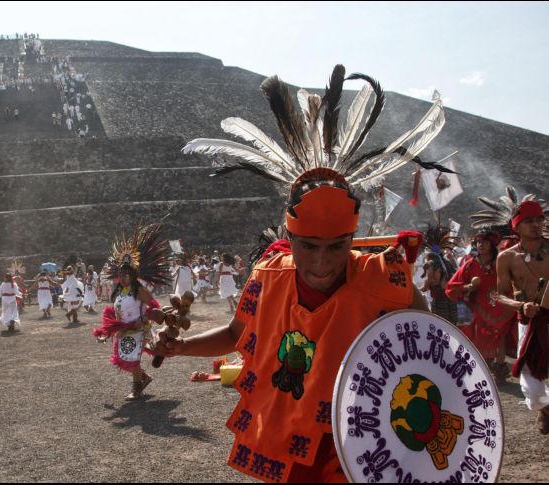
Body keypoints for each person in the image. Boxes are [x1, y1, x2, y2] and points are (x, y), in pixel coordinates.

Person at [159, 65, 440, 482]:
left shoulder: (384, 278)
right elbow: (238, 333)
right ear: (288, 238)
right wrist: (181, 347)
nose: (323, 263)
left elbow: (435, 344)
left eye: (337, 246)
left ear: (353, 237)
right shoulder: (267, 276)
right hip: (291, 442)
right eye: (309, 246)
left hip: (367, 450)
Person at [92, 223, 168, 401]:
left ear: (133, 275)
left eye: (127, 274)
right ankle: (145, 378)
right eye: (122, 273)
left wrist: (143, 319)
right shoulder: (119, 292)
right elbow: (115, 314)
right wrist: (107, 332)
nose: (124, 277)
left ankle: (136, 388)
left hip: (138, 329)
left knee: (133, 359)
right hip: (124, 330)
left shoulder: (138, 290)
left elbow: (154, 305)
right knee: (126, 358)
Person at [495, 199, 549, 434]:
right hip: (528, 321)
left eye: (539, 220)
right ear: (516, 226)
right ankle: (544, 409)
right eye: (529, 221)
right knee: (533, 390)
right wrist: (520, 305)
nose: (536, 225)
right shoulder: (506, 258)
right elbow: (498, 295)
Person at [446, 228, 516, 382]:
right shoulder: (470, 265)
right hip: (480, 307)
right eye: (478, 242)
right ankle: (483, 368)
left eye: (484, 242)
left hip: (502, 304)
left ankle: (499, 368)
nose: (481, 245)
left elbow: (514, 280)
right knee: (479, 337)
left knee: (501, 336)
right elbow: (452, 286)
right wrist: (468, 288)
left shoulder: (501, 262)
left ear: (492, 244)